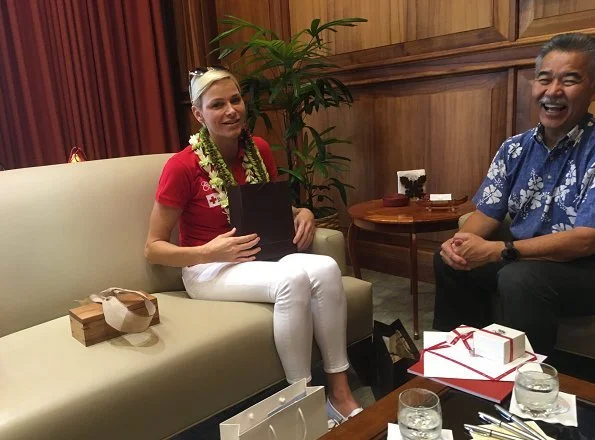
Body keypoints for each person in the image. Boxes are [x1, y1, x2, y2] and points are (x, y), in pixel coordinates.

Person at [144, 66, 362, 425]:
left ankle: (340, 393)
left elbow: (269, 206)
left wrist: (302, 211)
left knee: (325, 267)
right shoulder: (181, 167)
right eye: (217, 105)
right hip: (207, 269)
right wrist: (208, 251)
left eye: (235, 100)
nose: (231, 110)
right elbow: (153, 248)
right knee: (291, 280)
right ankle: (301, 402)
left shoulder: (258, 149)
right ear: (198, 114)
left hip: (260, 257)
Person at [433, 32, 595, 355]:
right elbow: (486, 213)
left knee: (519, 279)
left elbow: (586, 239)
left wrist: (500, 251)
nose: (553, 91)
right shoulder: (515, 148)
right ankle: (459, 365)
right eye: (544, 79)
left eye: (570, 80)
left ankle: (528, 389)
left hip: (583, 269)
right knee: (451, 261)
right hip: (520, 257)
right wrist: (458, 244)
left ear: (592, 89)